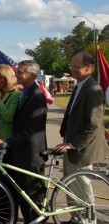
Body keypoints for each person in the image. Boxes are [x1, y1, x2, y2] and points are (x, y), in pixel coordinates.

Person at [53, 52, 109, 224]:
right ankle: (76, 218)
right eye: (72, 66)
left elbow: (93, 125)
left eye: (76, 67)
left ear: (89, 68)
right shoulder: (79, 87)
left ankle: (87, 221)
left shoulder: (93, 89)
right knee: (71, 185)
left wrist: (72, 144)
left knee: (82, 187)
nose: (72, 70)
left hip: (83, 149)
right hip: (72, 146)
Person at [0, 60, 48, 223]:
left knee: (33, 199)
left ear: (32, 75)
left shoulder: (36, 96)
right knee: (23, 195)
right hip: (21, 153)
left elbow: (31, 129)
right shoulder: (26, 92)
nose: (16, 75)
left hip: (31, 155)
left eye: (20, 72)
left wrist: (8, 142)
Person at [0, 64, 21, 221]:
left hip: (6, 143)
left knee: (7, 183)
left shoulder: (16, 95)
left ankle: (8, 217)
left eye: (1, 77)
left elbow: (9, 117)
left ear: (9, 78)